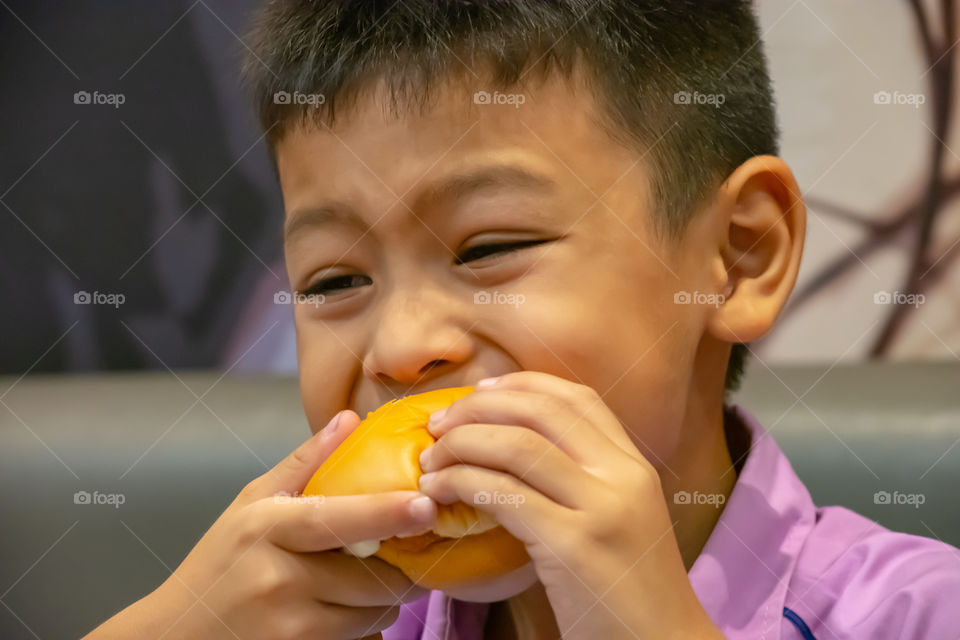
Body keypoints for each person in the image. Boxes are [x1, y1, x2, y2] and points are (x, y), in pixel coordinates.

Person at [84, 1, 960, 638]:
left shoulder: (917, 610)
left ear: (738, 256)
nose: (402, 347)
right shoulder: (307, 623)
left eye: (487, 247)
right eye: (336, 279)